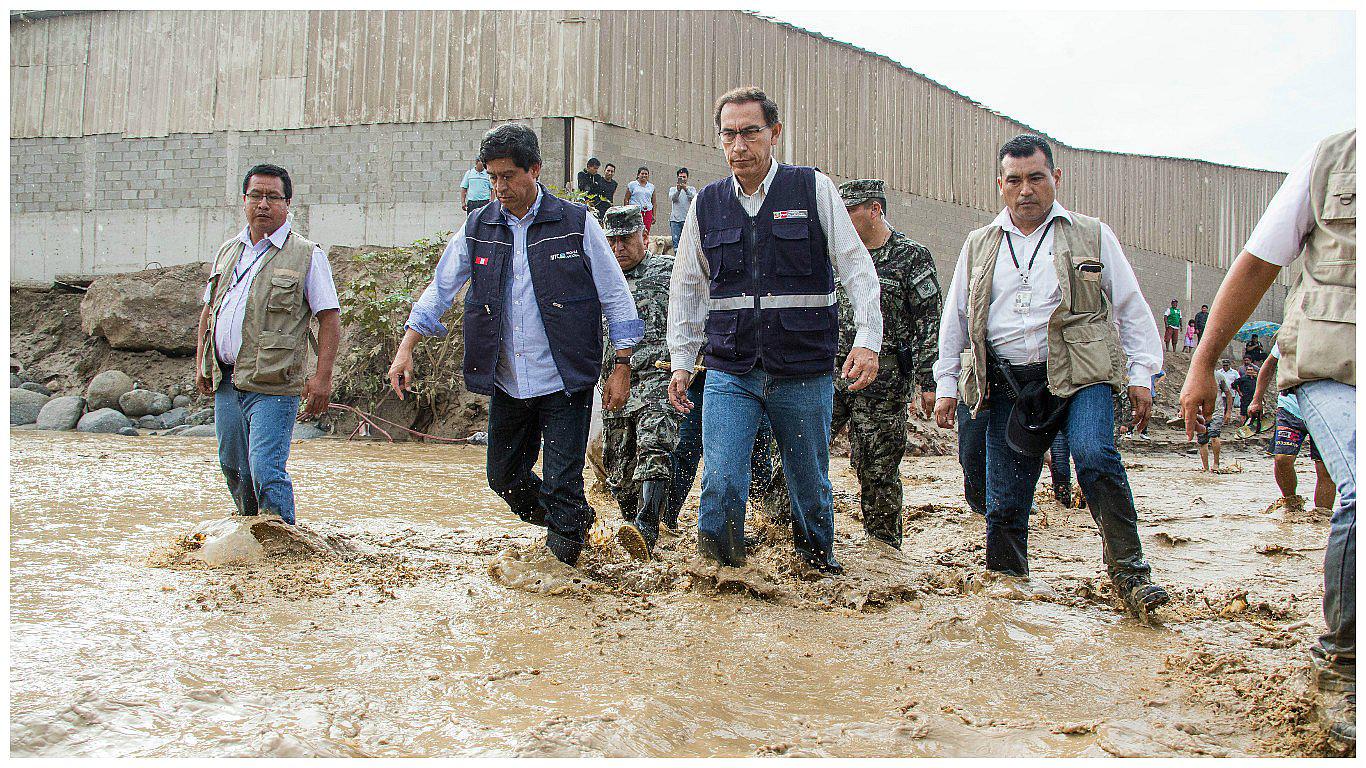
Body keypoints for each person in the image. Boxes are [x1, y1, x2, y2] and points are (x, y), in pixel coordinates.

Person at [933, 134, 1169, 618]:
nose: (1026, 190)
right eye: (1014, 180)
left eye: (1036, 178)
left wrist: (1143, 372)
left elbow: (1129, 306)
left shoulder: (1091, 234)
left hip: (1082, 376)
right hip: (1007, 386)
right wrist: (946, 384)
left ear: (1055, 179)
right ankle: (1008, 600)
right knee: (1003, 502)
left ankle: (1131, 575)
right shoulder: (979, 245)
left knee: (1095, 454)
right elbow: (955, 318)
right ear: (1000, 185)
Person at [389, 124, 643, 567]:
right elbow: (441, 288)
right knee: (503, 477)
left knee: (563, 481)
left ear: (535, 170)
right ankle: (578, 525)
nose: (499, 187)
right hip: (509, 380)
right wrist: (406, 345)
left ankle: (563, 578)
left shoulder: (574, 223)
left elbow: (615, 294)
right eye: (492, 177)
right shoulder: (479, 226)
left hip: (565, 380)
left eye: (508, 176)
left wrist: (622, 363)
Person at [1179, 130, 1355, 748]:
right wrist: (1207, 367)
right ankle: (1345, 664)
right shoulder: (1335, 159)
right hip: (1334, 369)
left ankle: (1319, 510)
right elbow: (1259, 261)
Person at [667, 86, 884, 573]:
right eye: (729, 135)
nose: (739, 146)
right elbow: (687, 288)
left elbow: (855, 266)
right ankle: (720, 579)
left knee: (808, 484)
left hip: (803, 372)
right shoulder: (707, 204)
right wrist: (682, 362)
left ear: (775, 134)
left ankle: (818, 570)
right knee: (721, 480)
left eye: (750, 133)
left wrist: (867, 339)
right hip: (731, 371)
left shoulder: (812, 189)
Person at [194, 164, 342, 526]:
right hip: (228, 379)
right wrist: (201, 363)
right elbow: (210, 310)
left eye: (272, 197)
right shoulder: (229, 251)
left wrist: (321, 380)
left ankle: (284, 543)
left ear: (287, 204)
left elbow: (329, 319)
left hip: (274, 384)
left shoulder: (307, 254)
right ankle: (249, 534)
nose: (263, 204)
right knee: (232, 465)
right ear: (244, 201)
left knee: (265, 468)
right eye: (256, 196)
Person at [832, 178, 941, 549]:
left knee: (876, 469)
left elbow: (929, 323)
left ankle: (883, 554)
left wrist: (930, 382)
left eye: (851, 211)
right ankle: (791, 536)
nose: (842, 219)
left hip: (885, 380)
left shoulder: (911, 257)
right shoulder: (837, 256)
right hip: (830, 373)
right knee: (796, 450)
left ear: (875, 209)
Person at [589, 205, 682, 560]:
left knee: (655, 447)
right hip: (614, 384)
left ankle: (647, 526)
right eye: (611, 241)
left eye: (625, 240)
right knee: (619, 469)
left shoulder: (669, 271)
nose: (618, 249)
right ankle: (634, 532)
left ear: (644, 236)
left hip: (659, 379)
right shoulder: (598, 278)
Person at [1250, 343, 1336, 512]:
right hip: (1290, 407)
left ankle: (1321, 516)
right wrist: (1257, 399)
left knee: (1324, 468)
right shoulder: (1290, 333)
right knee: (1282, 459)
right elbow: (1269, 365)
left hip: (1325, 409)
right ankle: (1292, 504)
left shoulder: (1335, 333)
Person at [1196, 370, 1232, 472]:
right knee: (1202, 440)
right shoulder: (1197, 375)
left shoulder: (1219, 376)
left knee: (1214, 435)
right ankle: (1205, 467)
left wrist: (1228, 412)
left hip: (1216, 412)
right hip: (1201, 413)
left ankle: (1216, 464)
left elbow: (1228, 394)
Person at [668, 168, 698, 252]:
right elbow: (673, 198)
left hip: (687, 220)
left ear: (687, 178)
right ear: (677, 178)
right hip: (675, 220)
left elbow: (694, 199)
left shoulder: (692, 189)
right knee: (676, 244)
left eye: (684, 177)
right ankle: (677, 262)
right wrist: (678, 190)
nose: (682, 179)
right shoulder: (673, 189)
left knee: (688, 243)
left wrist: (685, 189)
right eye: (680, 177)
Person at [625, 167, 657, 234]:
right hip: (635, 211)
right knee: (635, 232)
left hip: (647, 212)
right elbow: (626, 199)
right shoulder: (632, 185)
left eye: (646, 174)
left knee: (645, 232)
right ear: (638, 175)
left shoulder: (651, 187)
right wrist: (627, 212)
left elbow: (654, 202)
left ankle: (645, 244)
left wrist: (654, 215)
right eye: (642, 173)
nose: (644, 175)